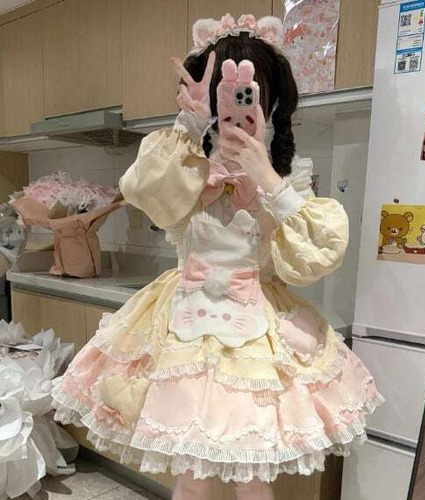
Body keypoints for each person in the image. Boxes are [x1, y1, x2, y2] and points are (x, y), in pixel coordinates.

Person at [51, 13, 383, 500]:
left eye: (250, 95)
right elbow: (139, 189)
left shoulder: (287, 177)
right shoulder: (185, 167)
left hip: (256, 332)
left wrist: (266, 177)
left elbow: (317, 255)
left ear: (269, 102)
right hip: (181, 324)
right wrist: (187, 124)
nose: (237, 107)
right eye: (224, 95)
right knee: (192, 475)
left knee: (252, 476)